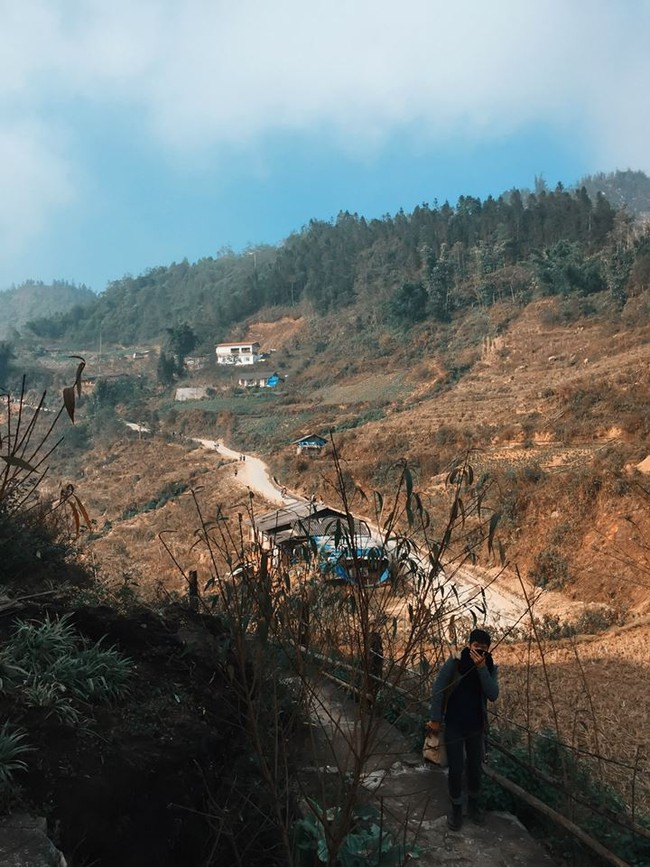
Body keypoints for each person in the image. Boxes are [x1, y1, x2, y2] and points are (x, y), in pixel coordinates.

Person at [427, 628, 499, 831]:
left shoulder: (490, 665)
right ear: (469, 645)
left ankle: (474, 805)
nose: (480, 652)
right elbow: (438, 688)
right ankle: (456, 807)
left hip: (476, 726)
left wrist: (482, 668)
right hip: (454, 724)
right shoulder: (456, 661)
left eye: (484, 649)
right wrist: (435, 718)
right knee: (456, 768)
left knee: (475, 768)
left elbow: (493, 694)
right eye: (477, 647)